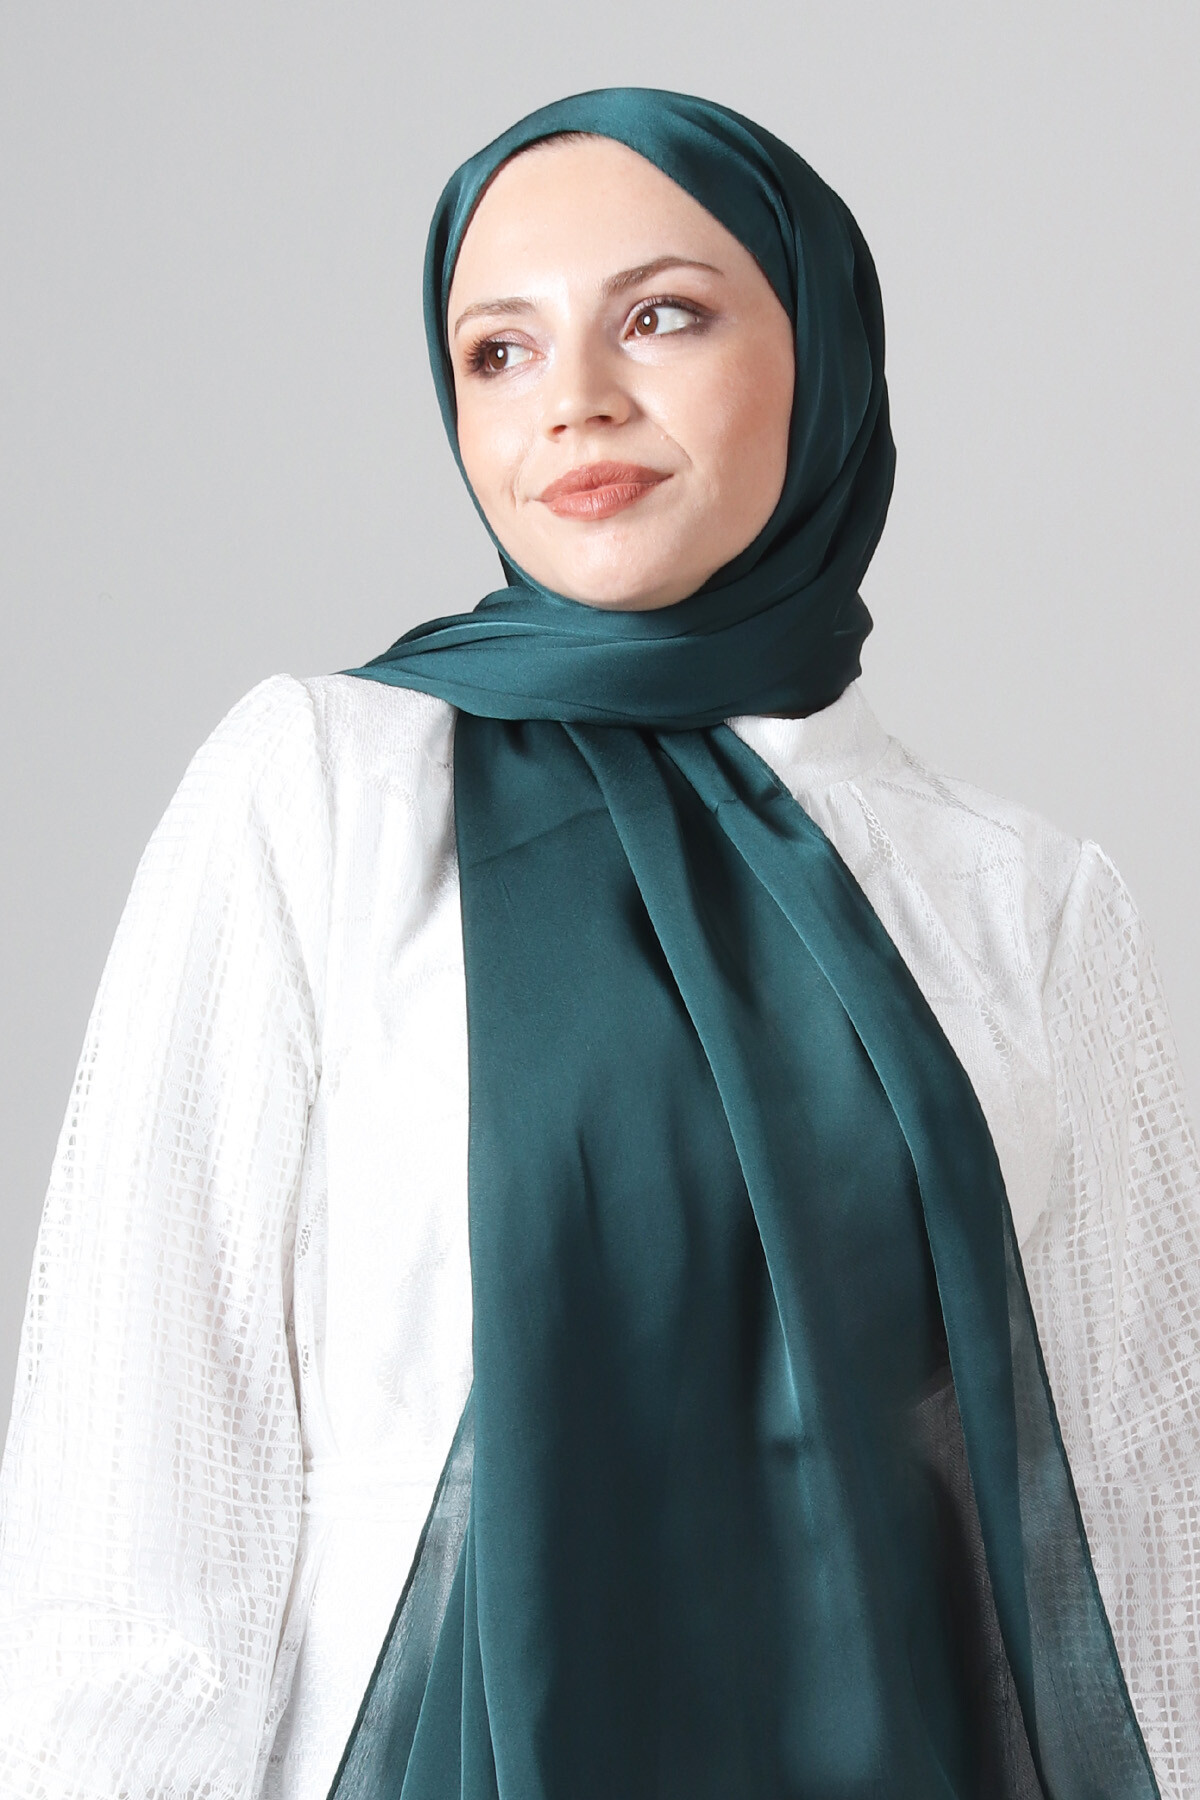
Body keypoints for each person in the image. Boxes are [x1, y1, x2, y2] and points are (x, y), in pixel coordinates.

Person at [0, 86, 1197, 1800]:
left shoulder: (1026, 903)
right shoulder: (324, 792)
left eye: (661, 317)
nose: (573, 400)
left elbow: (1146, 1555)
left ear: (825, 351)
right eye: (498, 351)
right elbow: (142, 1503)